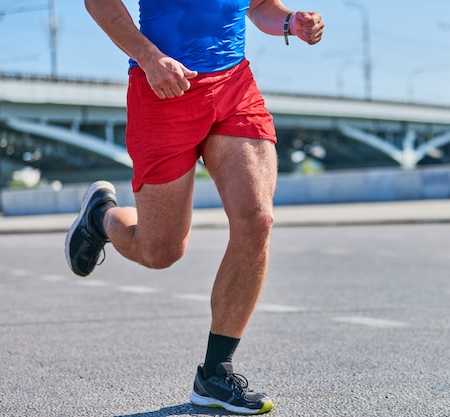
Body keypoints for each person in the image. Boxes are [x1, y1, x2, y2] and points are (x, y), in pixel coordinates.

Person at [65, 0, 324, 414]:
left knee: (257, 220)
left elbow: (258, 7)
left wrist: (290, 22)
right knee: (161, 251)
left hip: (234, 88)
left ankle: (215, 374)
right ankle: (101, 217)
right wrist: (148, 57)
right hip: (163, 89)